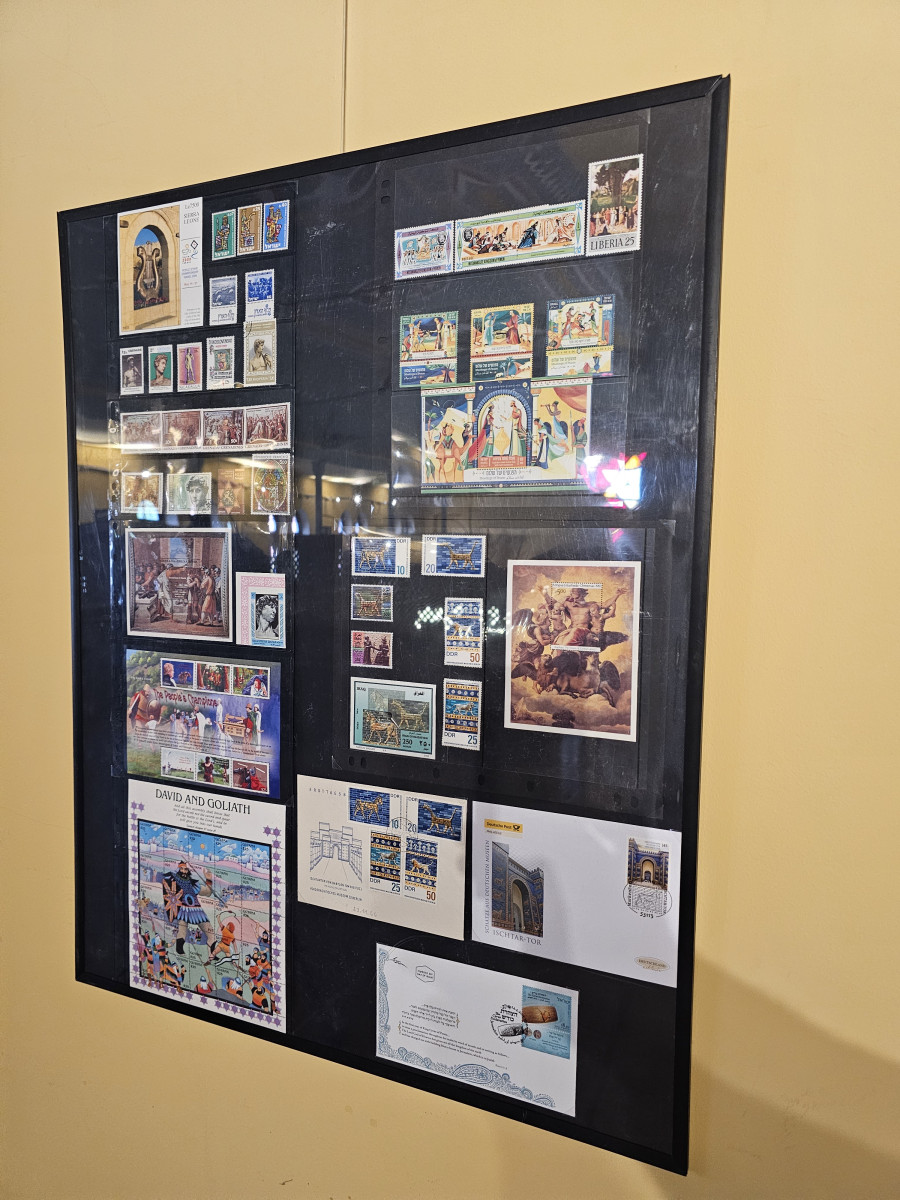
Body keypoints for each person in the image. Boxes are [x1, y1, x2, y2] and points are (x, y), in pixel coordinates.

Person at [161, 860, 215, 958]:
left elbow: (207, 892)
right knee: (182, 931)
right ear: (178, 869)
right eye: (181, 869)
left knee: (210, 932)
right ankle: (180, 952)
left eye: (185, 869)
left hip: (197, 911)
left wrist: (208, 880)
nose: (183, 871)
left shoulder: (193, 884)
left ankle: (213, 954)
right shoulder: (174, 881)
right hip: (183, 910)